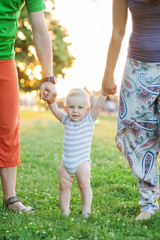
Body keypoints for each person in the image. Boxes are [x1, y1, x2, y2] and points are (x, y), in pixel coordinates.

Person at [102, 0, 160, 220]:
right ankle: (148, 205)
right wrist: (108, 73)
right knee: (139, 138)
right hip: (136, 67)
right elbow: (117, 31)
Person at [0, 0, 57, 213]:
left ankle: (10, 198)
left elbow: (40, 30)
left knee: (8, 127)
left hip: (4, 60)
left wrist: (49, 77)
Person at [46, 88, 106, 218]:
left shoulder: (89, 120)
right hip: (66, 162)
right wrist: (51, 101)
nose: (75, 111)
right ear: (66, 109)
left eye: (80, 107)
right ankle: (65, 211)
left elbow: (98, 105)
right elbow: (56, 110)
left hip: (81, 162)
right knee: (63, 186)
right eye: (72, 107)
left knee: (84, 185)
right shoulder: (66, 119)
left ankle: (86, 209)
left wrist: (104, 93)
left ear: (87, 110)